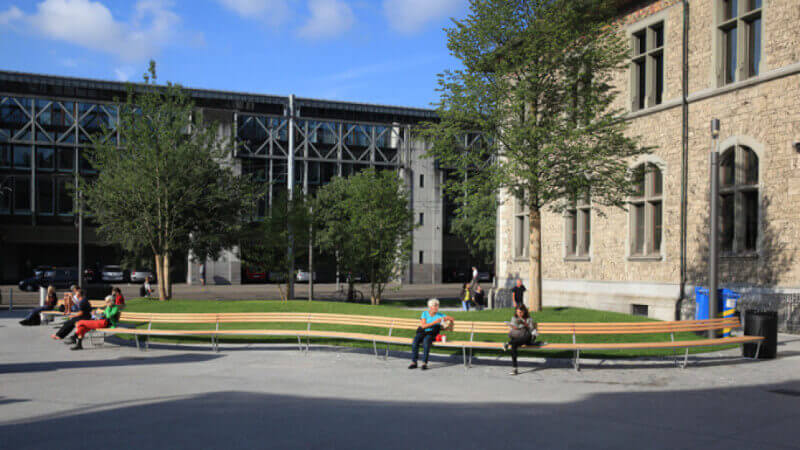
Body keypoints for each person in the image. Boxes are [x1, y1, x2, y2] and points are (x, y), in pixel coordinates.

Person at [409, 298, 454, 370]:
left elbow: (452, 318)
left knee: (426, 341)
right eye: (435, 306)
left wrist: (445, 318)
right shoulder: (425, 313)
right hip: (423, 332)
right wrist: (435, 322)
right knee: (415, 340)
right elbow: (423, 326)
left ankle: (424, 363)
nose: (436, 307)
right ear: (430, 307)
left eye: (437, 306)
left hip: (432, 333)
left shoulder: (440, 315)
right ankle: (414, 362)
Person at [502, 304, 538, 375]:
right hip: (518, 337)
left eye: (521, 312)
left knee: (517, 341)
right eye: (518, 312)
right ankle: (515, 369)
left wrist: (524, 323)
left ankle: (508, 343)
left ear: (524, 311)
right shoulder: (514, 318)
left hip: (527, 338)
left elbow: (532, 329)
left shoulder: (529, 319)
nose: (519, 314)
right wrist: (514, 327)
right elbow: (513, 328)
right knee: (514, 345)